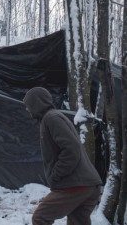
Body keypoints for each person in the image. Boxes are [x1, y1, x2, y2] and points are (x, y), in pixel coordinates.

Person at [23, 87, 102, 225]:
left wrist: (56, 175)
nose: (27, 109)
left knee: (40, 217)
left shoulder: (51, 118)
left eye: (28, 105)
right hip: (88, 185)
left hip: (77, 185)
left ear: (37, 103)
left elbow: (72, 150)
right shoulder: (51, 118)